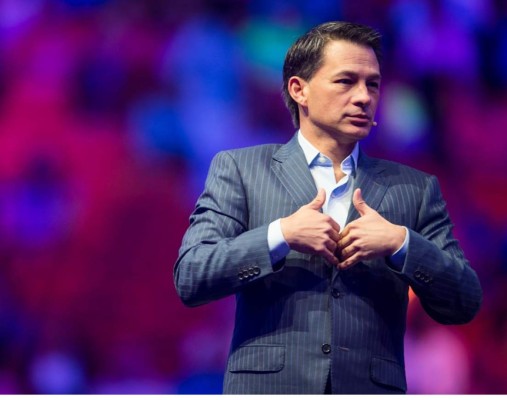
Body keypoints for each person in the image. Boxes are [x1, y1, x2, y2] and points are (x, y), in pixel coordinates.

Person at [174, 21, 482, 394]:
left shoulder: (415, 189)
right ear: (299, 90)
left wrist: (401, 243)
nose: (364, 97)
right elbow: (192, 276)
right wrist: (281, 234)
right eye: (346, 81)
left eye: (372, 84)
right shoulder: (240, 169)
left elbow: (464, 300)